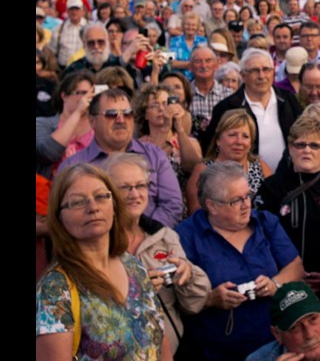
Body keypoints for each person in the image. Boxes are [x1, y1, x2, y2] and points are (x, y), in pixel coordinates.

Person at [36, 163, 172, 360]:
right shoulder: (54, 289)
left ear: (114, 205)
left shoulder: (134, 266)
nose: (93, 208)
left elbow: (162, 346)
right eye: (77, 202)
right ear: (59, 217)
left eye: (101, 197)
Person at [176, 162, 305, 360]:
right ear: (212, 205)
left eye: (248, 196)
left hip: (272, 346)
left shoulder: (265, 222)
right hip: (214, 350)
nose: (246, 205)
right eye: (236, 200)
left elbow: (295, 266)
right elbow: (177, 296)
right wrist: (210, 299)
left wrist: (275, 284)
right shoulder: (187, 236)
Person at [105, 153, 212, 354]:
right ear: (107, 193)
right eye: (125, 187)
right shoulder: (98, 242)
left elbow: (194, 303)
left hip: (169, 351)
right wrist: (136, 287)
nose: (135, 194)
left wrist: (186, 275)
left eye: (141, 186)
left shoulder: (165, 237)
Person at [60, 88, 184, 228]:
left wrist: (143, 237)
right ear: (92, 121)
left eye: (127, 114)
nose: (121, 120)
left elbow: (172, 205)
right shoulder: (72, 166)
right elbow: (65, 215)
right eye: (111, 114)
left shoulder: (154, 155)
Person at [258, 110, 320, 298]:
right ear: (290, 148)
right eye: (300, 144)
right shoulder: (272, 187)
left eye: (315, 145)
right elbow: (261, 235)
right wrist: (288, 275)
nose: (307, 150)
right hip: (281, 280)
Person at [203, 49, 303, 172]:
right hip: (244, 179)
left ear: (273, 72)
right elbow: (211, 148)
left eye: (266, 69)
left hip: (289, 177)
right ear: (243, 76)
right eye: (255, 71)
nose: (261, 76)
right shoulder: (227, 107)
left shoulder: (287, 99)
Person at [245, 281, 320, 361]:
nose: (309, 334)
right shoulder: (258, 359)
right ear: (277, 334)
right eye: (295, 327)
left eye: (313, 319)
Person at [186, 109, 274, 214]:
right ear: (218, 140)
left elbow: (273, 208)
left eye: (245, 136)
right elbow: (197, 216)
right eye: (232, 135)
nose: (239, 141)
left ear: (250, 143)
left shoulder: (261, 167)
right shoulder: (203, 170)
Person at [134, 83, 202, 196]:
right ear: (145, 114)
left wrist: (179, 128)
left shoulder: (189, 141)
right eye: (154, 105)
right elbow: (149, 168)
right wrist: (165, 128)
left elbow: (193, 167)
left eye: (166, 104)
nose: (161, 109)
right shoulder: (138, 146)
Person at [36, 69, 96, 179]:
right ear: (64, 96)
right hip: (52, 191)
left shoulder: (98, 126)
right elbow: (49, 153)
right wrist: (78, 112)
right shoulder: (42, 123)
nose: (88, 97)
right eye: (82, 93)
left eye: (91, 93)